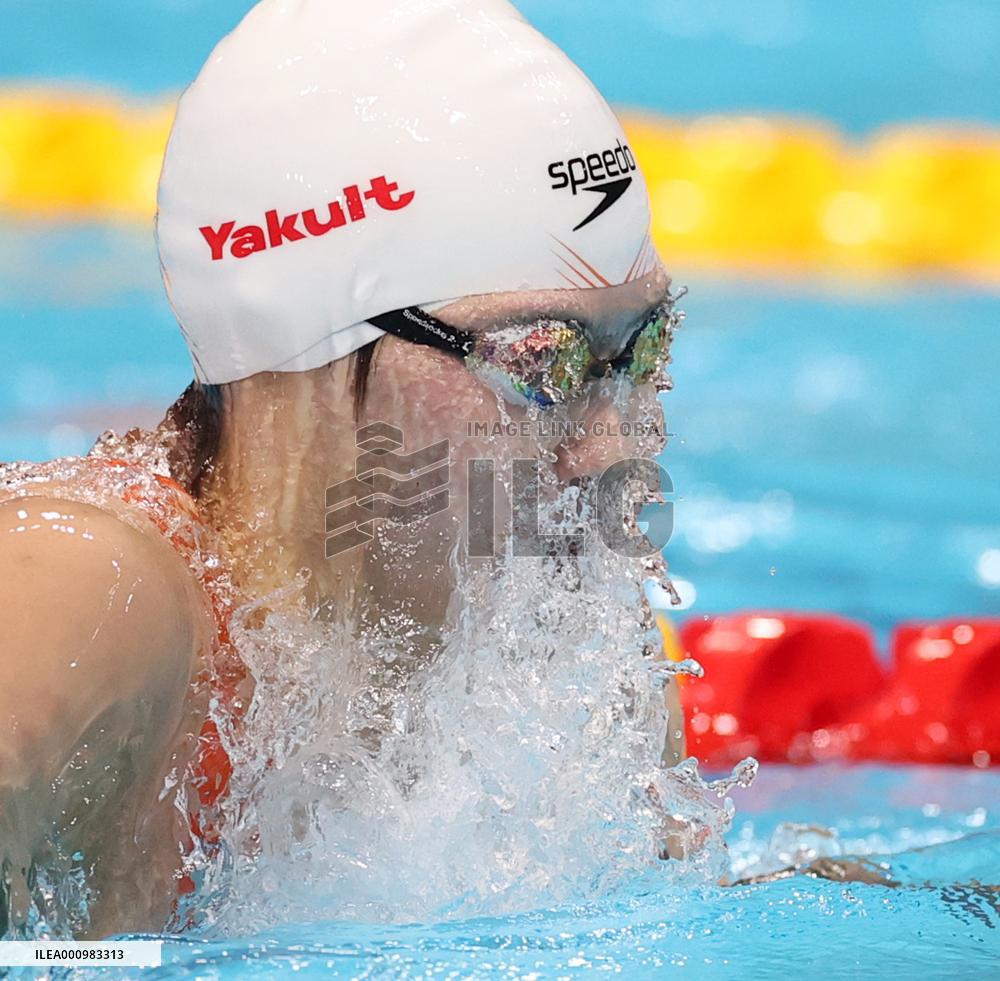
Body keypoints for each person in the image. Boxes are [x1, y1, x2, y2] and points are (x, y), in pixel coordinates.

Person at [0, 0, 682, 938]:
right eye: (537, 359)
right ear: (302, 354)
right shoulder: (87, 595)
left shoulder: (569, 645)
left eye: (637, 350)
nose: (606, 444)